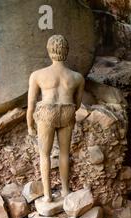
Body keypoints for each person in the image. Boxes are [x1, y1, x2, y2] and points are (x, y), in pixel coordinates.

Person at [27, 35, 85, 202]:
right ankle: (65, 191)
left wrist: (30, 125)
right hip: (67, 111)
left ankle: (47, 196)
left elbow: (31, 104)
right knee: (64, 153)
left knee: (44, 155)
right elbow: (78, 104)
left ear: (49, 51)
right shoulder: (77, 77)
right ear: (66, 51)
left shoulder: (37, 75)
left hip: (46, 112)